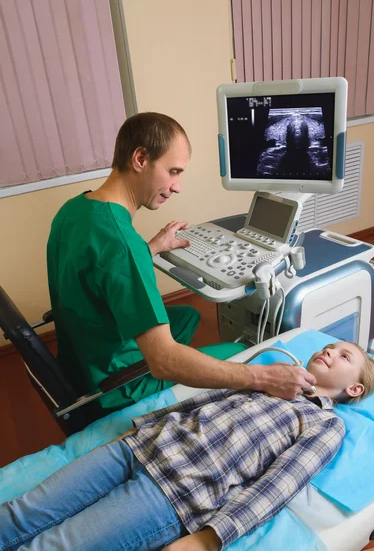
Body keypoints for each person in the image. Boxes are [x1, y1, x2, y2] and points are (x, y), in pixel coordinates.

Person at [0, 342, 374, 551]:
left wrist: (207, 540)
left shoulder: (325, 426)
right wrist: (135, 432)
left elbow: (276, 487)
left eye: (344, 357)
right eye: (329, 346)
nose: (329, 351)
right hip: (137, 448)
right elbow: (203, 400)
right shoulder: (276, 378)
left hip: (171, 497)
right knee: (19, 514)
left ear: (354, 391)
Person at [46, 112, 315, 415]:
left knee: (187, 316)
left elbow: (98, 269)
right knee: (245, 352)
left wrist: (150, 248)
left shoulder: (75, 209)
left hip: (81, 355)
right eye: (173, 171)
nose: (177, 187)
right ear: (140, 158)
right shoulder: (122, 244)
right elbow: (162, 362)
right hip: (114, 384)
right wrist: (262, 376)